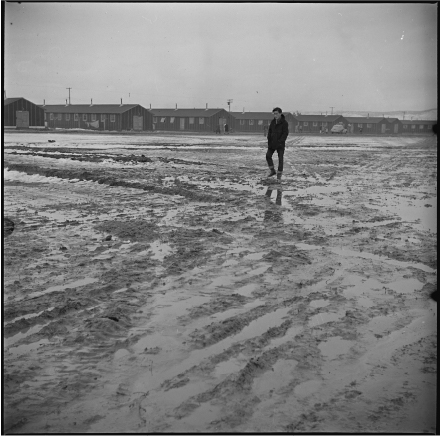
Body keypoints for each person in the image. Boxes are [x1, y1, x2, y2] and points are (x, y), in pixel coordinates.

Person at [266, 107, 289, 182]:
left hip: (280, 144)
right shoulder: (273, 122)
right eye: (274, 114)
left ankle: (279, 177)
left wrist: (280, 141)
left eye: (276, 114)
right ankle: (272, 171)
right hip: (272, 143)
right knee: (268, 156)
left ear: (280, 113)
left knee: (280, 159)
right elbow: (269, 132)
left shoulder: (284, 123)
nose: (275, 115)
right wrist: (269, 140)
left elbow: (285, 134)